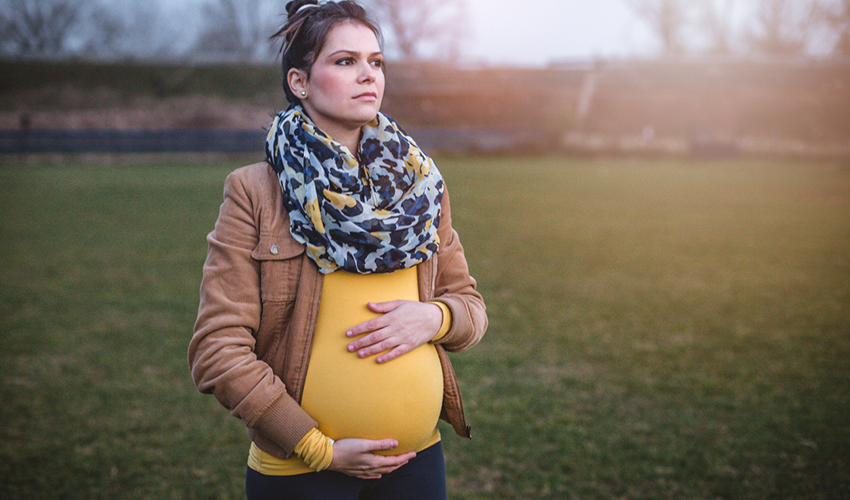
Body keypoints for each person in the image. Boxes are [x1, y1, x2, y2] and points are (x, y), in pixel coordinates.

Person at [187, 1, 487, 499]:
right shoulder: (255, 191)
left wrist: (433, 319)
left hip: (418, 462)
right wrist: (317, 448)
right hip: (304, 473)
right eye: (345, 61)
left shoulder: (422, 187)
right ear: (299, 82)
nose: (367, 75)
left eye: (376, 62)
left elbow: (471, 308)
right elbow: (218, 350)